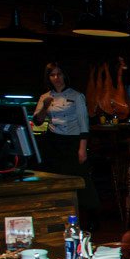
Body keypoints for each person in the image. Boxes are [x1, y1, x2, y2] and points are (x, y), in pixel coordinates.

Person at [31, 63, 98, 220]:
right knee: (55, 178)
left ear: (64, 75)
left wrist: (82, 149)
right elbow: (38, 122)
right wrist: (45, 107)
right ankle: (58, 214)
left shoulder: (76, 96)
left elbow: (83, 123)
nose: (56, 78)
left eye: (59, 74)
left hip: (73, 141)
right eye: (52, 75)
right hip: (54, 141)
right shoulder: (45, 97)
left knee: (79, 178)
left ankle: (89, 217)